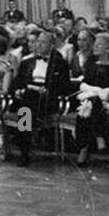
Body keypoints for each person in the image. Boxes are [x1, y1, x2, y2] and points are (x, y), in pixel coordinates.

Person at [8, 30, 71, 166]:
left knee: (26, 108)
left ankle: (23, 146)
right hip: (28, 95)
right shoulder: (27, 62)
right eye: (38, 42)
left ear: (52, 45)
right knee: (27, 104)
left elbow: (64, 85)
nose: (40, 45)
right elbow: (17, 82)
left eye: (44, 42)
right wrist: (17, 90)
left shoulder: (60, 63)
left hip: (47, 98)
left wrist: (48, 90)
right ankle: (24, 145)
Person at [71, 32, 109, 165]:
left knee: (92, 105)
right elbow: (85, 84)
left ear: (108, 49)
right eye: (95, 45)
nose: (94, 47)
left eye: (99, 45)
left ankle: (85, 149)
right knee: (89, 105)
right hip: (90, 98)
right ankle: (98, 137)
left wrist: (101, 93)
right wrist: (97, 91)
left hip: (107, 101)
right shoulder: (91, 64)